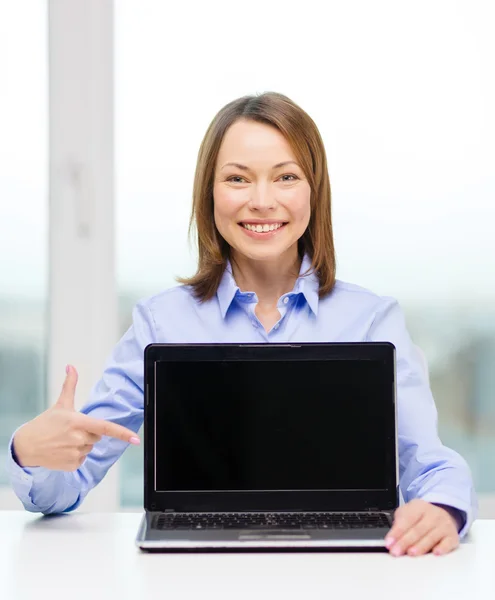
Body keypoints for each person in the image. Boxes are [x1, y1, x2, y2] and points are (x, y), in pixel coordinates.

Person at [7, 92, 477, 557]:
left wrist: (443, 508)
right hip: (197, 574)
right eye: (237, 178)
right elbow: (64, 489)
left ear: (314, 189)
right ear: (209, 192)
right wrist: (30, 451)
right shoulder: (161, 322)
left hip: (344, 568)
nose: (262, 201)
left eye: (286, 177)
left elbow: (430, 464)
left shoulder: (371, 320)